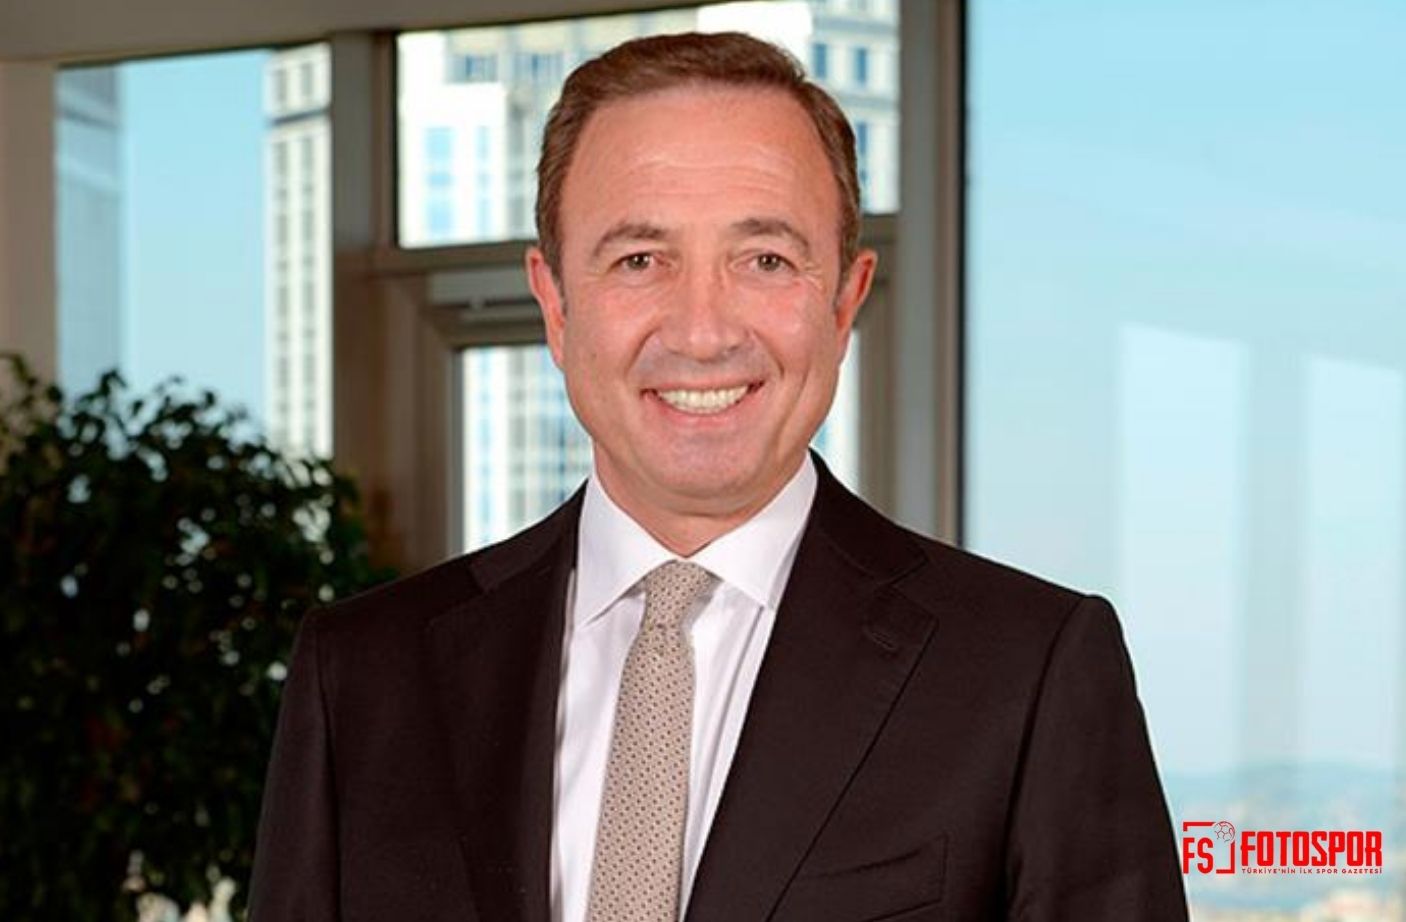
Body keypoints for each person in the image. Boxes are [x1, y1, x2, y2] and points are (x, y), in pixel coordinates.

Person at [249, 31, 1187, 922]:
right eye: (640, 260)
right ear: (556, 305)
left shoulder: (1028, 673)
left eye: (765, 259)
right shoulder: (361, 679)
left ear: (844, 300)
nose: (703, 332)